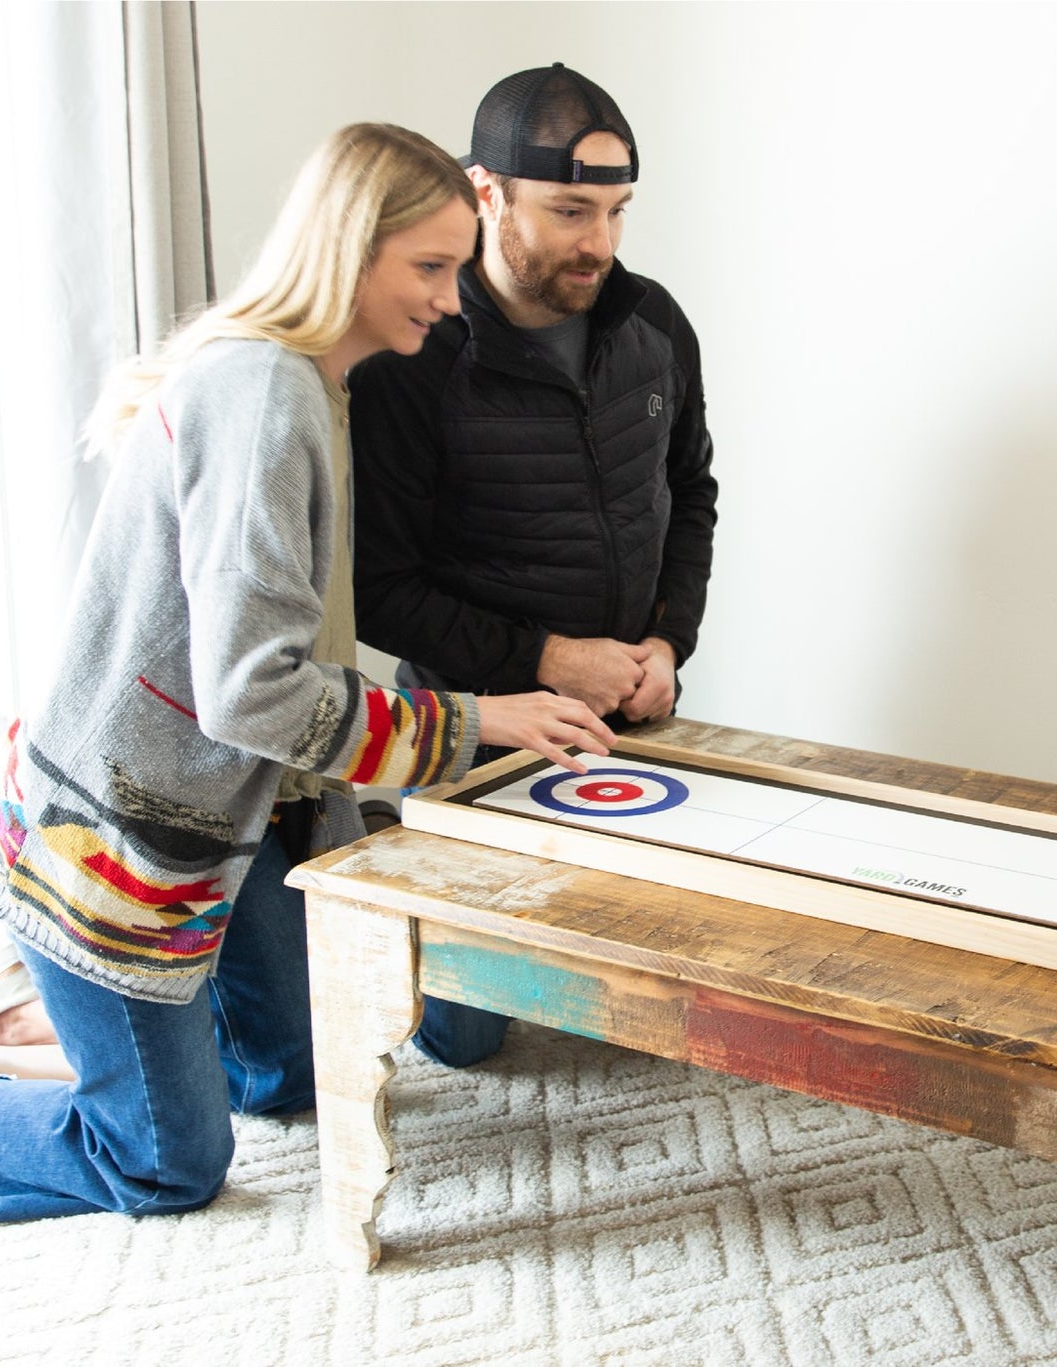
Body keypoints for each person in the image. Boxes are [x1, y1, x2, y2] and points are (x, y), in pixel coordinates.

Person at [0, 123, 617, 1224]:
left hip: (225, 808)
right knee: (167, 1162)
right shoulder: (266, 397)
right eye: (431, 268)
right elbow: (252, 690)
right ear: (350, 249)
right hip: (114, 836)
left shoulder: (311, 382)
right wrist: (475, 719)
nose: (453, 300)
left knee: (292, 1076)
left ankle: (104, 1030)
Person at [349, 65, 718, 1066]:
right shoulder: (412, 356)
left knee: (662, 1011)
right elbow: (379, 588)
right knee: (464, 1035)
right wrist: (551, 656)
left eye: (614, 210)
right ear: (485, 193)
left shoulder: (655, 325)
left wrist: (665, 640)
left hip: (637, 704)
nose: (598, 240)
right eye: (568, 209)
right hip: (476, 724)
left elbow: (690, 491)